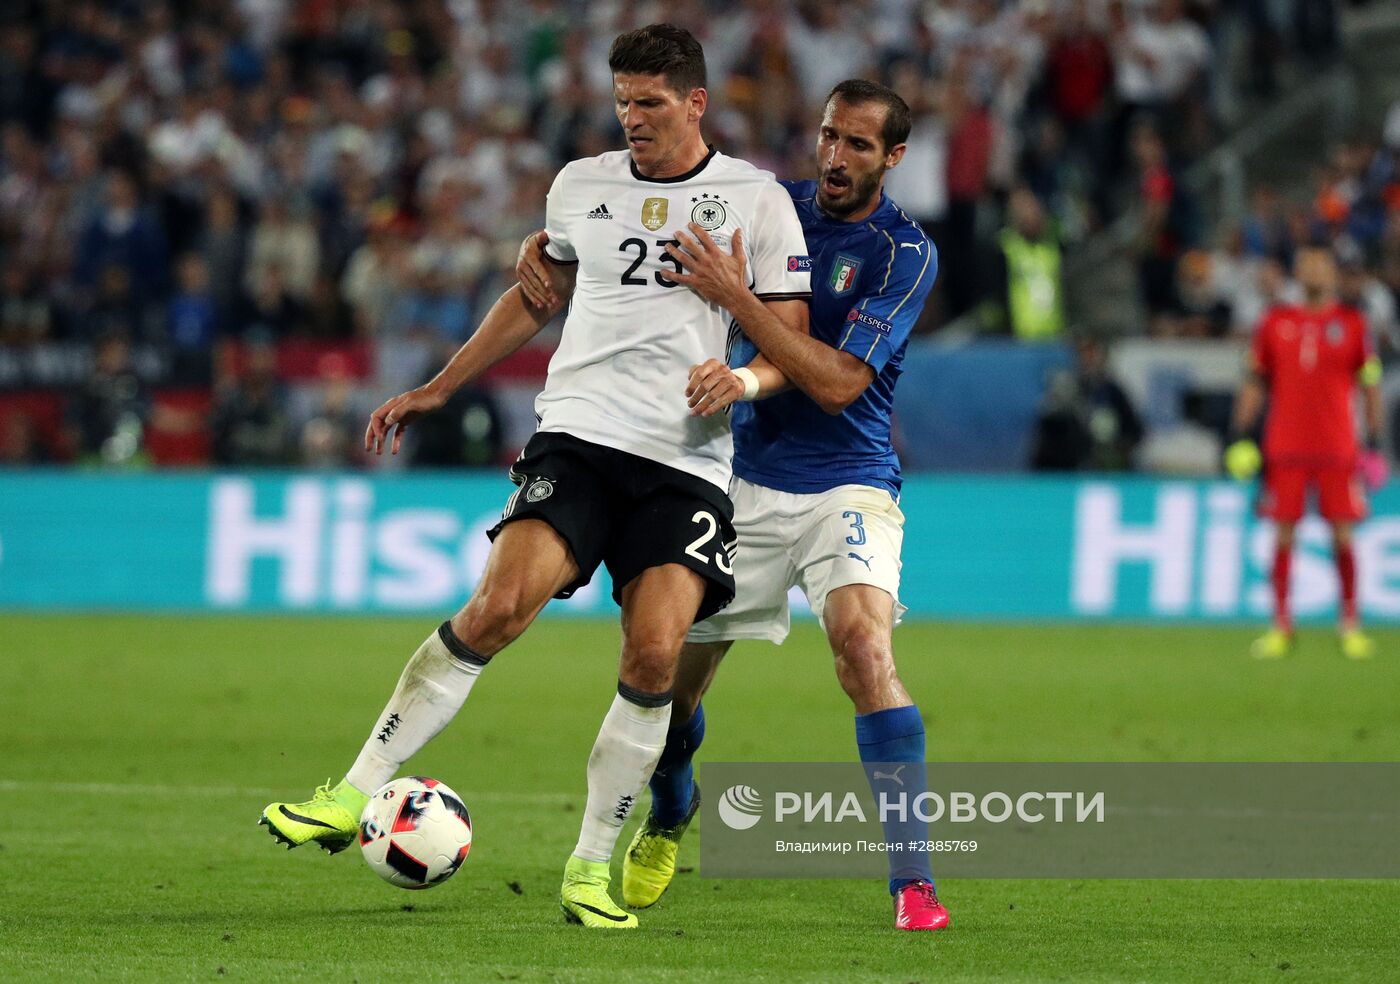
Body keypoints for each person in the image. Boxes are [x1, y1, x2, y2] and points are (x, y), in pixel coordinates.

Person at [259, 24, 811, 931]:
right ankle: (350, 790)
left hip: (688, 460)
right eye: (623, 102)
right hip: (580, 438)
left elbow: (788, 334)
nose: (633, 119)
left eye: (652, 103)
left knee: (655, 658)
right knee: (497, 609)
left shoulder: (754, 200)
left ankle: (589, 868)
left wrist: (743, 376)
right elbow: (534, 296)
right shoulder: (580, 186)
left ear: (697, 102)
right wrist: (440, 385)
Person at [517, 79, 947, 932]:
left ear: (893, 158)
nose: (834, 156)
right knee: (667, 689)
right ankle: (673, 809)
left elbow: (837, 383)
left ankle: (914, 883)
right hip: (732, 477)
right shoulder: (764, 206)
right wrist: (550, 245)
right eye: (828, 135)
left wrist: (738, 300)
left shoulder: (905, 254)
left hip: (848, 480)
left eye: (858, 145)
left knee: (863, 650)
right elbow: (632, 231)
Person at [1225, 246, 1386, 660]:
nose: (1314, 270)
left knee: (1342, 536)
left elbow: (1369, 386)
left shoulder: (1352, 325)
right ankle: (1281, 626)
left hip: (1337, 448)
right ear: (1297, 273)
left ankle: (1350, 624)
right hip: (1286, 447)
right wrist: (1240, 433)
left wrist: (1375, 442)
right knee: (1283, 535)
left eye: (1321, 263)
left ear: (1333, 274)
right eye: (1307, 264)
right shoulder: (1275, 323)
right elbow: (1255, 382)